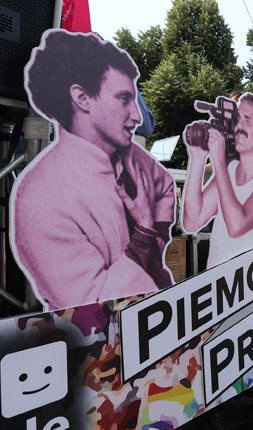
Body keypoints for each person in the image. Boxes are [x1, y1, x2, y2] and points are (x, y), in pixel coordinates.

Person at [11, 30, 175, 311]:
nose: (136, 115)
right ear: (81, 97)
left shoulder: (127, 162)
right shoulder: (41, 199)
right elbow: (93, 311)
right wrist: (143, 235)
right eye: (123, 98)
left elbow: (164, 186)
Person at [182, 92, 253, 268]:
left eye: (247, 121)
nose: (239, 127)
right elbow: (192, 222)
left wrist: (219, 162)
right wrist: (198, 158)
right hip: (220, 279)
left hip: (249, 279)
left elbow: (236, 226)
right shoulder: (230, 170)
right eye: (236, 120)